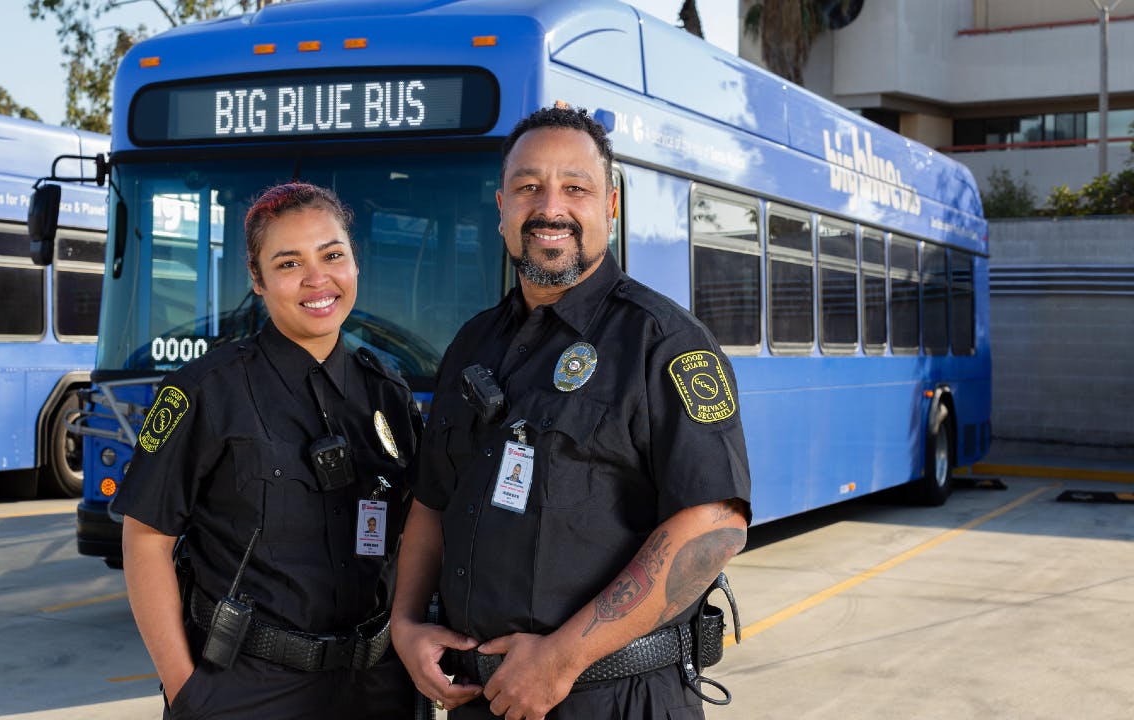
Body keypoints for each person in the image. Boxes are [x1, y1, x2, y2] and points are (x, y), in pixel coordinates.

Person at [391, 106, 752, 720]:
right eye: (529, 187)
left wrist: (562, 656)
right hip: (482, 698)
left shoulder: (664, 342)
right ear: (501, 204)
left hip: (616, 699)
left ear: (609, 206)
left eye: (575, 188)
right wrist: (405, 623)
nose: (550, 207)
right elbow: (432, 501)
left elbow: (715, 526)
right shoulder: (472, 344)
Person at [113, 182, 421, 719]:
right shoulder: (204, 391)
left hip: (376, 687)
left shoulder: (387, 393)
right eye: (288, 264)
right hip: (248, 689)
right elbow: (145, 541)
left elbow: (418, 531)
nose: (316, 279)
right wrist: (187, 692)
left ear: (354, 264)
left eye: (332, 255)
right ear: (257, 280)